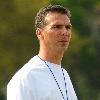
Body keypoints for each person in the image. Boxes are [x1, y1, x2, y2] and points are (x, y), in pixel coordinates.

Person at [7, 4, 78, 100]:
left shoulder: (64, 75)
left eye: (68, 27)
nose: (65, 32)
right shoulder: (25, 78)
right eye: (57, 27)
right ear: (39, 33)